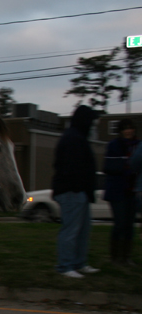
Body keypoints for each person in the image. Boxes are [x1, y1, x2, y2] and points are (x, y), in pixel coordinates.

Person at [52, 105, 101, 278]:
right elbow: (69, 167)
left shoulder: (77, 137)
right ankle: (65, 266)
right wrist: (78, 187)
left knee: (83, 230)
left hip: (80, 192)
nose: (93, 125)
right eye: (92, 122)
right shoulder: (72, 138)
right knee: (71, 230)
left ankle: (79, 263)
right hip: (72, 191)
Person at [103, 119, 139, 264]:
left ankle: (126, 257)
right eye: (125, 129)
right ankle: (115, 257)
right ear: (121, 131)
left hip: (132, 191)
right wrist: (127, 166)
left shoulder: (138, 145)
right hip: (117, 191)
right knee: (120, 224)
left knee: (130, 225)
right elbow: (109, 167)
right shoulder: (114, 145)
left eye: (130, 128)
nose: (128, 131)